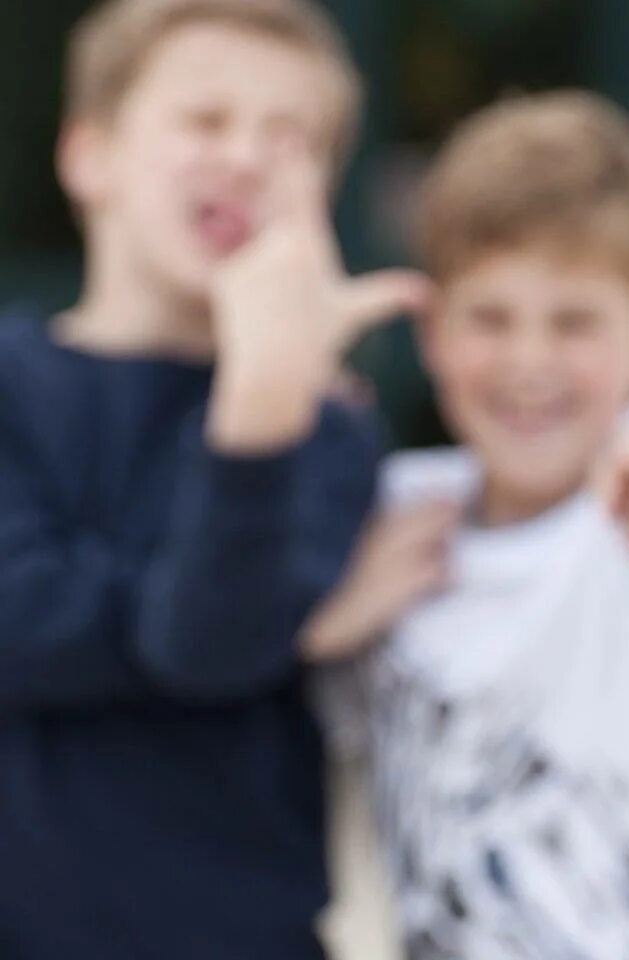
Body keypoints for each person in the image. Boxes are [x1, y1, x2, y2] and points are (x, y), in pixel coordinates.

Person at [310, 90, 629, 960]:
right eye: (491, 318)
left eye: (574, 322)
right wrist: (334, 616)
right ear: (432, 332)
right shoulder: (392, 511)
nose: (529, 361)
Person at [0, 1, 429, 956]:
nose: (246, 156)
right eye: (205, 120)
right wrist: (293, 625)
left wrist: (260, 409)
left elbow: (209, 646)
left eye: (292, 137)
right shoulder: (12, 389)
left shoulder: (321, 424)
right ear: (89, 157)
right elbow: (19, 624)